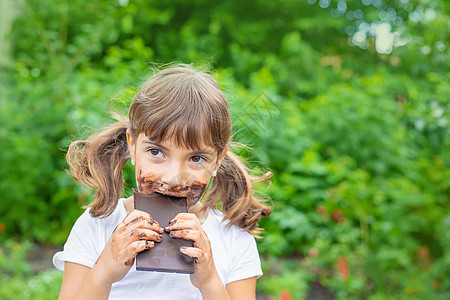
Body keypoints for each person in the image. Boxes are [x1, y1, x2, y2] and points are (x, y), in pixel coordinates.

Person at [53, 64, 272, 300]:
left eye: (196, 158)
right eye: (156, 152)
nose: (172, 178)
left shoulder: (233, 238)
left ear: (218, 160)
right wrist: (104, 272)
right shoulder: (97, 226)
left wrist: (209, 282)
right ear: (133, 145)